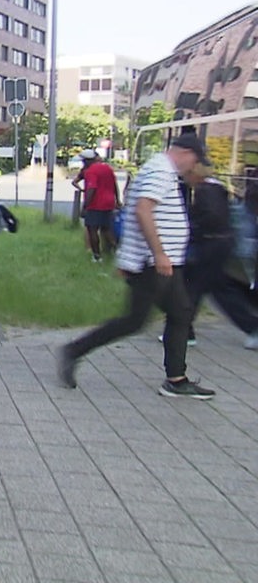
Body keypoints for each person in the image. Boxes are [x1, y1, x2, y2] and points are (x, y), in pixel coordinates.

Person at [57, 135, 215, 400]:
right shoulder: (161, 171)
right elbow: (143, 210)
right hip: (153, 263)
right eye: (195, 161)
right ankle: (73, 351)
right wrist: (159, 253)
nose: (193, 167)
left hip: (162, 262)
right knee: (134, 320)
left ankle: (176, 379)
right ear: (186, 153)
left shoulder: (161, 170)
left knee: (181, 312)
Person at [160, 164, 258, 350]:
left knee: (194, 287)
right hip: (219, 245)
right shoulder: (217, 188)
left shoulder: (206, 191)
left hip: (210, 246)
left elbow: (210, 218)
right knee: (216, 289)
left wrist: (194, 229)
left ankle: (183, 330)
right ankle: (250, 326)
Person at [72, 149, 121, 263]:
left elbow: (91, 189)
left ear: (87, 161)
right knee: (107, 229)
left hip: (96, 204)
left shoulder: (90, 171)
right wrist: (117, 199)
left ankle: (97, 256)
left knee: (92, 230)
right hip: (109, 203)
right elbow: (114, 185)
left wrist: (85, 206)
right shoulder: (107, 168)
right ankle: (118, 251)